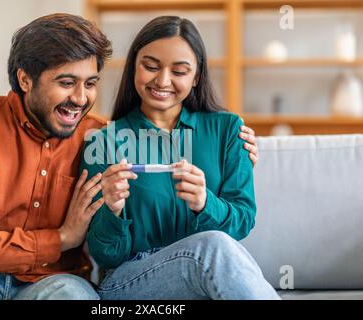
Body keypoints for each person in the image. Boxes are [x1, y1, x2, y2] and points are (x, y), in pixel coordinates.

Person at [0, 13, 258, 300]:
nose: (80, 99)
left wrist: (229, 167)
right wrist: (62, 238)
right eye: (66, 82)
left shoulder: (94, 133)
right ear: (25, 79)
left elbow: (239, 216)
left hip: (54, 286)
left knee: (72, 295)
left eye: (90, 83)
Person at [81, 16, 279, 300]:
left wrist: (204, 203)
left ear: (196, 76)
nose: (162, 81)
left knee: (214, 246)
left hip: (205, 271)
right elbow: (106, 254)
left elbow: (243, 220)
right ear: (133, 67)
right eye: (150, 66)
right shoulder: (104, 141)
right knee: (213, 247)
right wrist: (112, 210)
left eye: (180, 71)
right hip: (129, 280)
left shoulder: (228, 130)